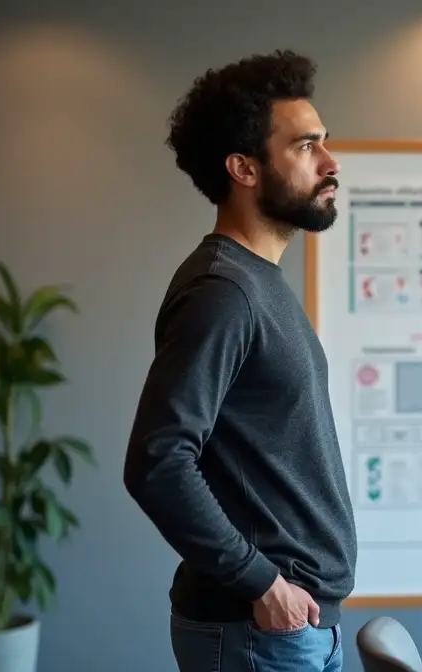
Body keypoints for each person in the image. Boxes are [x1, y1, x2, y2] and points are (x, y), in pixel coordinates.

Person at [123, 49, 356, 672]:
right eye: (307, 146)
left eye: (324, 143)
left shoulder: (261, 283)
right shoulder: (224, 292)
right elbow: (157, 460)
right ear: (244, 168)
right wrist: (261, 583)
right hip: (260, 630)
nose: (331, 163)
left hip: (294, 629)